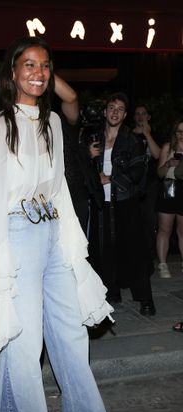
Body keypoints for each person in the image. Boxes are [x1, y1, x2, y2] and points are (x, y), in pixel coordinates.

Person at [0, 36, 115, 412]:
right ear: (13, 73)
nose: (38, 73)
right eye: (28, 65)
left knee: (71, 333)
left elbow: (59, 187)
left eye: (44, 66)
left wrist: (71, 244)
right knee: (21, 343)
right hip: (16, 233)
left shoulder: (55, 123)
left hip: (53, 230)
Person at [88, 92, 156, 316]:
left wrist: (110, 178)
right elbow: (82, 170)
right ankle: (112, 291)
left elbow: (138, 170)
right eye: (111, 107)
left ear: (125, 114)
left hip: (126, 203)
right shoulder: (94, 138)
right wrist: (89, 159)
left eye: (119, 109)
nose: (115, 112)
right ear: (105, 111)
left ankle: (146, 299)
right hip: (102, 205)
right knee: (105, 251)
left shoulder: (132, 140)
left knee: (134, 252)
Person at [54, 75, 103, 234]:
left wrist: (43, 71)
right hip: (48, 194)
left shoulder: (63, 122)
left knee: (77, 247)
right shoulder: (27, 122)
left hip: (74, 192)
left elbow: (71, 98)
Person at [155, 119, 183, 278]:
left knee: (182, 231)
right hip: (169, 188)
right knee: (165, 229)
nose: (181, 135)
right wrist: (168, 165)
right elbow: (159, 174)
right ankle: (163, 265)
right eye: (179, 131)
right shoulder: (168, 147)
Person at [132, 104, 161, 258]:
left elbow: (157, 155)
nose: (140, 116)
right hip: (133, 184)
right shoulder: (128, 135)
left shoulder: (154, 134)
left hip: (150, 184)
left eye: (143, 113)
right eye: (137, 113)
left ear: (148, 117)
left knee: (150, 218)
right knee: (135, 219)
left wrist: (147, 134)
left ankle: (150, 251)